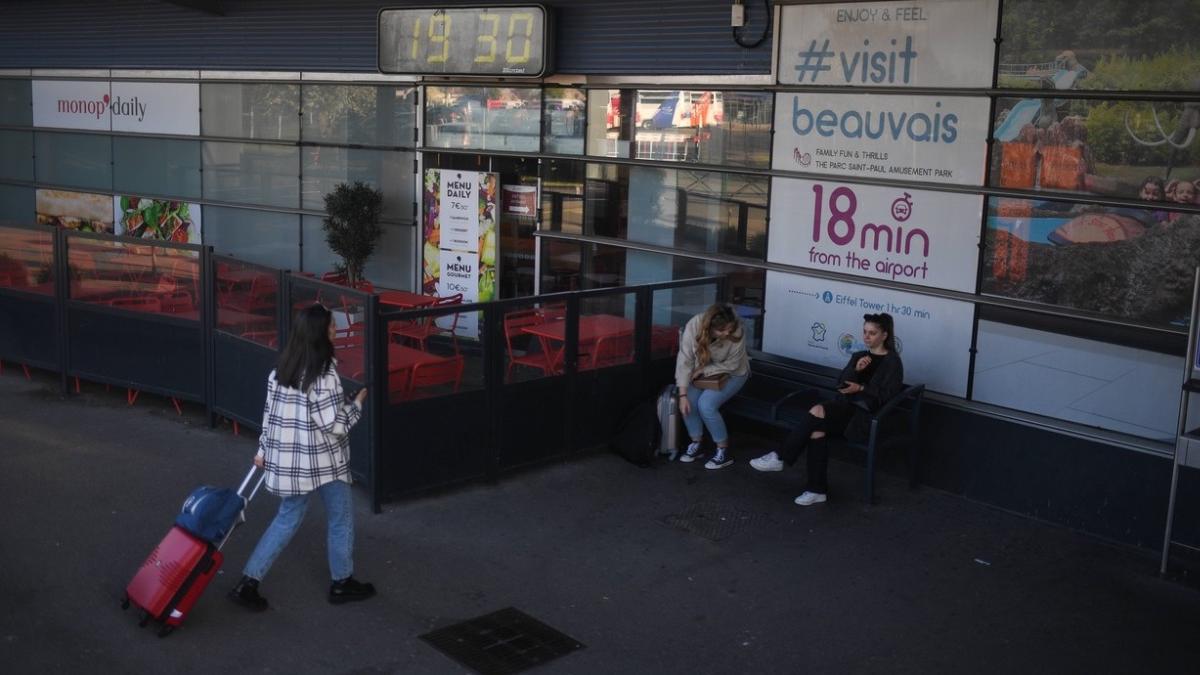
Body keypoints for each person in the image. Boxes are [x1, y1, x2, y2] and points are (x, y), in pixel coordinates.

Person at [229, 304, 374, 611]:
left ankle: (248, 582)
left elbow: (270, 416)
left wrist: (262, 451)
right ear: (320, 333)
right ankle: (342, 582)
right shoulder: (324, 374)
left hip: (292, 465)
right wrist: (357, 404)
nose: (335, 329)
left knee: (285, 520)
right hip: (325, 463)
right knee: (341, 518)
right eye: (331, 326)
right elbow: (333, 426)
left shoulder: (281, 369)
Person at [750, 313, 903, 506]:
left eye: (872, 333)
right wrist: (855, 370)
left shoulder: (892, 362)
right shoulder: (859, 355)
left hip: (865, 417)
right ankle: (816, 490)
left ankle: (781, 457)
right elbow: (841, 383)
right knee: (816, 430)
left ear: (884, 335)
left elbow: (889, 395)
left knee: (817, 413)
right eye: (864, 332)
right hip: (844, 407)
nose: (866, 337)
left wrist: (862, 388)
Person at [674, 303, 750, 469]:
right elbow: (684, 360)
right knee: (689, 403)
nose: (727, 333)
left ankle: (723, 450)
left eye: (729, 329)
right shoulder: (694, 325)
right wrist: (682, 395)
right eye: (722, 330)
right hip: (700, 372)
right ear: (710, 328)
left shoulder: (737, 330)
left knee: (706, 405)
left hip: (733, 372)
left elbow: (733, 364)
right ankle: (697, 443)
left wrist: (704, 369)